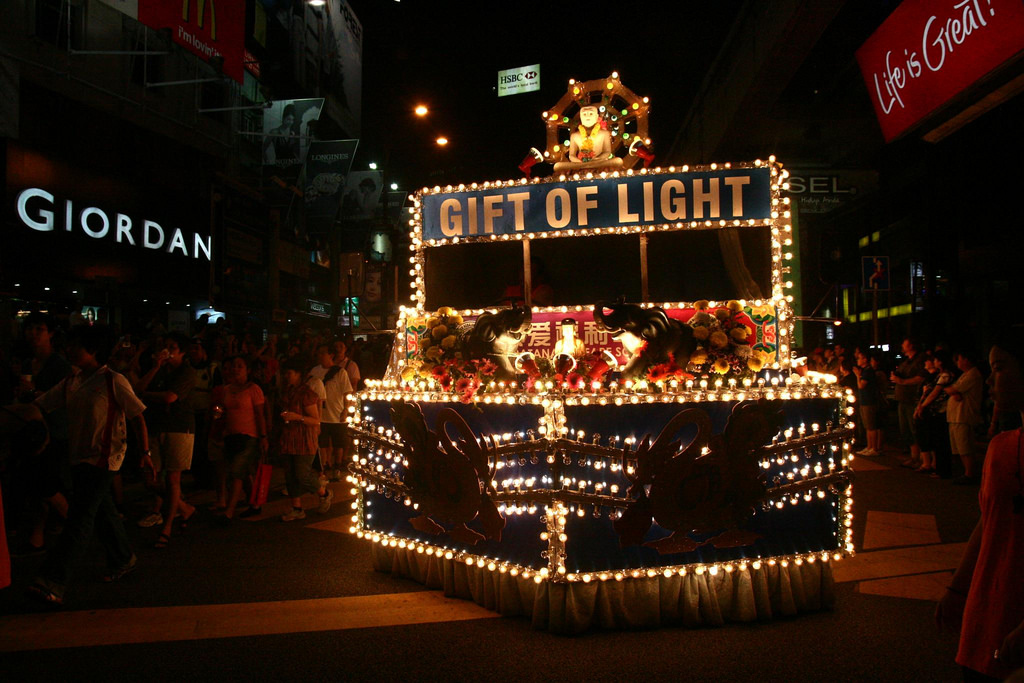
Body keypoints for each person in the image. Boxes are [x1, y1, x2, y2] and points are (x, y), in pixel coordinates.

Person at [28, 325, 153, 605]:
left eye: (76, 345)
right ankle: (123, 558)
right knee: (102, 512)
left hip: (103, 459)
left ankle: (53, 580)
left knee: (79, 519)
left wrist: (145, 452)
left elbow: (137, 416)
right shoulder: (72, 381)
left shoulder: (112, 380)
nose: (70, 349)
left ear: (93, 350)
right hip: (78, 457)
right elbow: (42, 404)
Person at [935, 382, 1024, 679]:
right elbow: (988, 521)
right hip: (988, 598)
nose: (990, 380)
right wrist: (958, 588)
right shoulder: (1001, 446)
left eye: (999, 369)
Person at [135, 332, 197, 548]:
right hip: (156, 427)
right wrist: (155, 367)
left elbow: (170, 397)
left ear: (181, 351)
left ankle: (167, 526)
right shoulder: (159, 370)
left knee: (173, 479)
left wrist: (147, 397)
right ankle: (182, 506)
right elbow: (138, 389)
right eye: (165, 346)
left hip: (179, 428)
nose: (167, 351)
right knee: (150, 478)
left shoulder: (187, 372)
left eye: (172, 347)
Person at [210, 356, 268, 520]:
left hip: (249, 436)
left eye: (240, 366)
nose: (235, 369)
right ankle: (254, 503)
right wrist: (218, 414)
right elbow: (222, 411)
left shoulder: (253, 389)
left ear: (247, 370)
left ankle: (229, 511)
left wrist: (263, 436)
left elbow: (259, 414)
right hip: (231, 435)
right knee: (243, 472)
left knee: (236, 472)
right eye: (234, 366)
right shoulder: (227, 389)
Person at [278, 356, 331, 521]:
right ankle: (297, 507)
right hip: (288, 439)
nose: (287, 376)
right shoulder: (287, 392)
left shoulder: (307, 394)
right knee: (290, 475)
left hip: (304, 441)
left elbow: (315, 420)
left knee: (302, 474)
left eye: (290, 373)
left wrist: (297, 417)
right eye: (285, 373)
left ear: (298, 374)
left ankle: (324, 493)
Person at [914, 349, 956, 478]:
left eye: (936, 360)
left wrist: (922, 406)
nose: (934, 362)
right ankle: (938, 468)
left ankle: (943, 470)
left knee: (941, 442)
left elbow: (934, 393)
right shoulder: (939, 375)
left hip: (940, 411)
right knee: (937, 441)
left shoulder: (945, 375)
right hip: (935, 411)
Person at [946, 350, 984, 485]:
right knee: (959, 446)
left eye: (960, 359)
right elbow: (951, 390)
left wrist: (953, 392)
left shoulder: (973, 375)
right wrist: (953, 392)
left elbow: (953, 389)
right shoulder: (965, 375)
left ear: (967, 360)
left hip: (963, 416)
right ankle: (965, 472)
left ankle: (970, 473)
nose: (958, 362)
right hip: (956, 416)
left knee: (965, 446)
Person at [891, 338, 929, 468]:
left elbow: (921, 377)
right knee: (906, 429)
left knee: (915, 429)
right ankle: (914, 457)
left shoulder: (921, 359)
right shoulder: (906, 361)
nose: (902, 345)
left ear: (911, 345)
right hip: (902, 398)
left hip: (912, 399)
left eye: (904, 343)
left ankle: (923, 459)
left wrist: (902, 381)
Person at [553, 105, 623, 173]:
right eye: (584, 114)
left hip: (598, 162)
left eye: (591, 113)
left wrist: (597, 159)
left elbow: (607, 152)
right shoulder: (574, 135)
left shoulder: (604, 133)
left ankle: (588, 165)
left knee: (618, 161)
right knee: (558, 166)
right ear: (580, 117)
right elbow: (571, 156)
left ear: (597, 117)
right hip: (580, 164)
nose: (587, 116)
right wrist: (580, 162)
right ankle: (586, 165)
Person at [853, 353, 882, 456]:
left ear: (865, 359)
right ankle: (869, 446)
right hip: (864, 401)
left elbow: (861, 385)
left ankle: (874, 448)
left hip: (869, 401)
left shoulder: (868, 372)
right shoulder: (865, 371)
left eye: (859, 358)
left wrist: (857, 376)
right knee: (867, 426)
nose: (858, 361)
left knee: (871, 426)